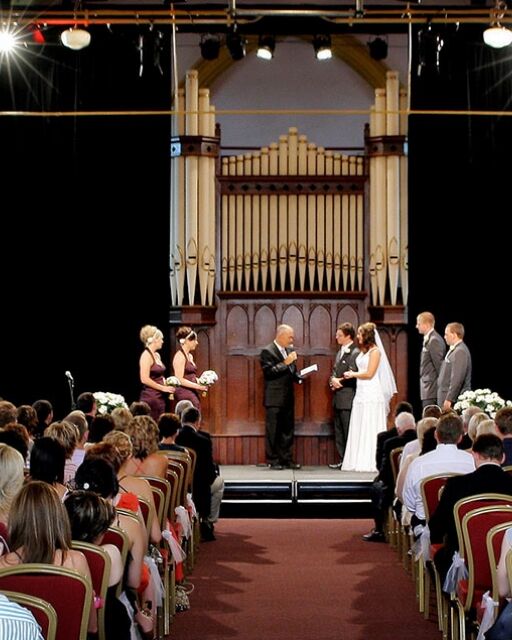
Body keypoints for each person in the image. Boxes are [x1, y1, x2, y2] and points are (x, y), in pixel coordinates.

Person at [429, 434, 512, 582]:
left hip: (466, 562)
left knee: (439, 556)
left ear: (474, 455)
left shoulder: (456, 485)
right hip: (508, 565)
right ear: (503, 457)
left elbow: (437, 527)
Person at [341, 322, 397, 473]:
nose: (358, 336)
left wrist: (352, 374)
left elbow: (370, 373)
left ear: (367, 336)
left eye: (360, 334)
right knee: (360, 423)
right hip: (361, 393)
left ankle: (370, 460)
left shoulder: (375, 352)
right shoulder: (363, 352)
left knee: (370, 424)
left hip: (372, 392)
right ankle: (356, 459)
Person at [259, 324, 302, 470]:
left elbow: (291, 371)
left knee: (287, 430)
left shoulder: (289, 350)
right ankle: (273, 460)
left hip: (288, 397)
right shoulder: (267, 351)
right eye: (290, 337)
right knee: (273, 430)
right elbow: (269, 372)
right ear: (281, 335)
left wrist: (299, 377)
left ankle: (287, 459)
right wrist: (286, 362)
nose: (292, 339)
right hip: (274, 397)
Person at [328, 322, 359, 470]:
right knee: (339, 430)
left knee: (347, 430)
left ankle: (349, 460)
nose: (336, 337)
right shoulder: (340, 352)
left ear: (348, 336)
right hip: (337, 398)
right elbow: (334, 372)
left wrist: (339, 381)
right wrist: (332, 381)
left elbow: (354, 375)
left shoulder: (355, 352)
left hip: (347, 397)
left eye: (339, 335)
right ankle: (342, 459)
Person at [139, 325, 174, 422]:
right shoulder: (146, 356)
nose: (162, 341)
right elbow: (144, 379)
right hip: (151, 397)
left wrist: (167, 383)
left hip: (159, 397)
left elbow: (159, 375)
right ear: (155, 340)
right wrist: (163, 388)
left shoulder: (157, 355)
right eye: (161, 339)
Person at [437, 322, 472, 411]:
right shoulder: (455, 350)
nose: (444, 337)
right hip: (444, 396)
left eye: (446, 334)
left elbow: (457, 378)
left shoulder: (460, 351)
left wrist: (449, 399)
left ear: (454, 335)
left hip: (452, 400)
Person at [172, 326, 208, 411]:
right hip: (184, 391)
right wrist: (198, 386)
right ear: (187, 341)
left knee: (196, 408)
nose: (196, 343)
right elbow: (179, 379)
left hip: (192, 390)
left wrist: (201, 381)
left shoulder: (190, 356)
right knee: (192, 410)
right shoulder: (179, 356)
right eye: (194, 340)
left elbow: (191, 375)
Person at [416, 311, 446, 408]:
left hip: (431, 389)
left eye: (419, 324)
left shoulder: (434, 340)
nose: (417, 326)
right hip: (428, 388)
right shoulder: (430, 339)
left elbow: (439, 366)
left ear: (426, 324)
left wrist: (442, 389)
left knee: (430, 419)